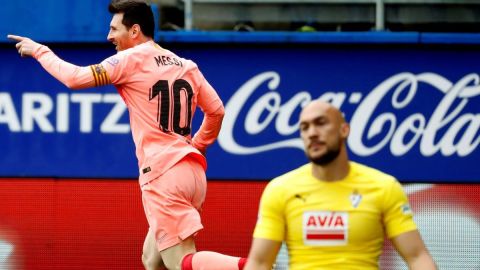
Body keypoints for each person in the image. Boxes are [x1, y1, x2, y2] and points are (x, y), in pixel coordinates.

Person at [8, 1, 246, 269]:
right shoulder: (185, 65)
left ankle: (251, 266)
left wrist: (40, 50)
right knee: (152, 259)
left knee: (181, 261)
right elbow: (216, 111)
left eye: (114, 29)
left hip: (163, 174)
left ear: (134, 31)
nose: (109, 36)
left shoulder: (130, 59)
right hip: (192, 173)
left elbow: (74, 78)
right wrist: (198, 145)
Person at [244, 100, 437, 270]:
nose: (312, 133)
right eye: (304, 127)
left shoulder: (384, 186)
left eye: (321, 123)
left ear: (344, 130)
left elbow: (417, 257)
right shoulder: (280, 189)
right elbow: (260, 262)